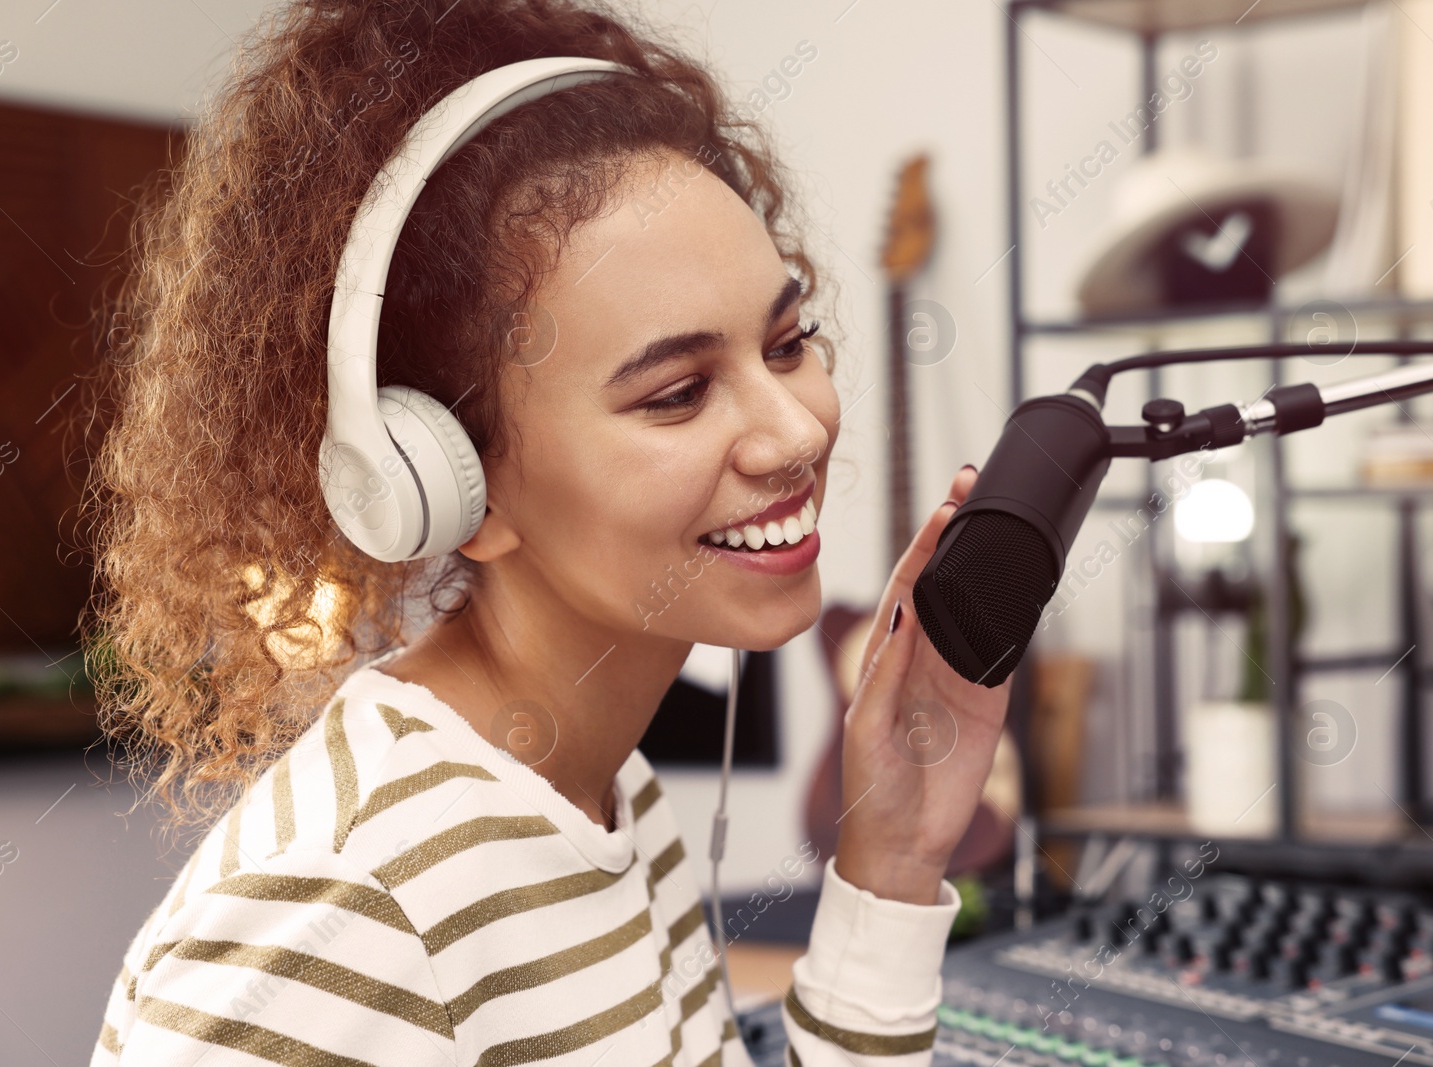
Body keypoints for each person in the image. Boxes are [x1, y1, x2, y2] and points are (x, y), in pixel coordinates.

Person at [80, 0, 1011, 1063]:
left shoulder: (609, 793)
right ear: (448, 480)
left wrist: (889, 855)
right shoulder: (343, 908)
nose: (797, 430)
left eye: (790, 341)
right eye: (676, 393)